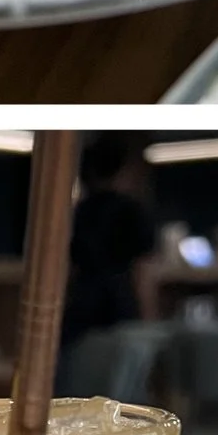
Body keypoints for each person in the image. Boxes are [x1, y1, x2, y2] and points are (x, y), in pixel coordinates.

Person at [67, 137, 163, 338]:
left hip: (81, 308)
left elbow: (69, 267)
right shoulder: (132, 211)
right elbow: (142, 271)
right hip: (120, 307)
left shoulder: (79, 212)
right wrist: (150, 320)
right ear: (124, 171)